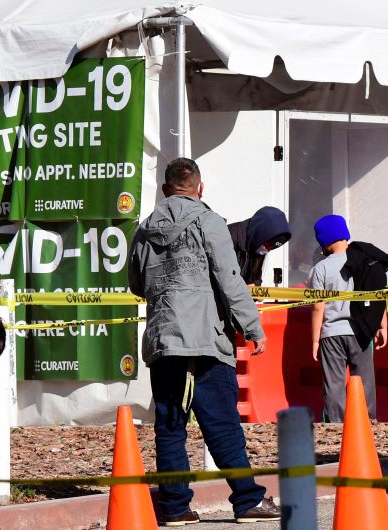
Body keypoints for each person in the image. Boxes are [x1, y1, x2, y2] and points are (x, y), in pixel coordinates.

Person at [128, 158, 280, 525]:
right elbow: (230, 279)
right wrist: (252, 326)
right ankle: (247, 500)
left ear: (165, 190)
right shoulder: (209, 222)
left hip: (164, 339)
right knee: (221, 423)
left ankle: (176, 507)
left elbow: (135, 284)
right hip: (205, 340)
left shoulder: (144, 230)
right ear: (200, 187)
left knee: (169, 426)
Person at [309, 214, 387, 421]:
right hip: (361, 331)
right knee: (364, 381)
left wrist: (315, 340)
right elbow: (377, 294)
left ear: (324, 242)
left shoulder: (321, 268)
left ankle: (337, 426)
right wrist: (382, 325)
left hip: (331, 333)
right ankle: (366, 422)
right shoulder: (365, 260)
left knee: (333, 383)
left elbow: (318, 307)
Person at [228, 206, 291, 286]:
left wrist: (257, 289)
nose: (267, 250)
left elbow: (255, 277)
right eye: (267, 245)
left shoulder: (256, 245)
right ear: (261, 234)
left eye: (271, 248)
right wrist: (243, 291)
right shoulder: (230, 236)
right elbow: (220, 276)